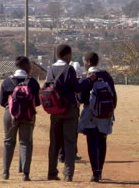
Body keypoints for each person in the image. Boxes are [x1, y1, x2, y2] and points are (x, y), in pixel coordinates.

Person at [47, 44, 93, 182]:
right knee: (70, 142)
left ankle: (51, 173)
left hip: (54, 110)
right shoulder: (69, 69)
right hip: (69, 109)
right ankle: (68, 174)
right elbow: (77, 88)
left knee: (54, 142)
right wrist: (88, 80)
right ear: (67, 55)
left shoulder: (50, 69)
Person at [0, 56, 40, 181]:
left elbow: (1, 101)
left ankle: (6, 172)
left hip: (10, 114)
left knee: (8, 142)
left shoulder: (7, 81)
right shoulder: (32, 82)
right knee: (25, 143)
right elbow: (37, 102)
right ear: (26, 66)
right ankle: (25, 174)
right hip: (28, 115)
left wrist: (11, 106)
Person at [78, 52, 117, 182]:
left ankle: (95, 173)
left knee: (91, 142)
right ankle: (100, 171)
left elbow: (82, 97)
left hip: (90, 113)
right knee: (102, 141)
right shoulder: (106, 75)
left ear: (88, 62)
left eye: (84, 61)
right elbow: (114, 96)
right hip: (105, 113)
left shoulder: (87, 76)